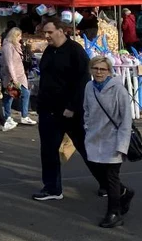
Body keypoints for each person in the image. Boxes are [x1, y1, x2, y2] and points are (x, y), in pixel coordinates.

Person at [32, 19, 100, 201]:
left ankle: (107, 182)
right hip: (48, 109)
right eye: (44, 33)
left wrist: (72, 106)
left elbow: (83, 81)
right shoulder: (48, 51)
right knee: (48, 150)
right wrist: (40, 106)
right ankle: (52, 188)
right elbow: (45, 79)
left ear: (61, 31)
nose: (46, 37)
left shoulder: (75, 51)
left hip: (70, 111)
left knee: (86, 147)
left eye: (49, 32)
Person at [83, 56, 135, 228]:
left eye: (102, 69)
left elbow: (126, 119)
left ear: (109, 71)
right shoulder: (89, 87)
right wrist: (87, 126)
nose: (99, 72)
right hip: (94, 138)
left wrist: (122, 145)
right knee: (103, 176)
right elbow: (86, 109)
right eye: (96, 68)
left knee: (111, 178)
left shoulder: (118, 89)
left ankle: (114, 213)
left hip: (114, 139)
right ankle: (125, 193)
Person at [1, 28, 34, 127]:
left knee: (13, 96)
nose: (20, 38)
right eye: (19, 36)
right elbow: (9, 63)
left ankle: (17, 116)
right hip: (12, 75)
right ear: (14, 36)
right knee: (12, 96)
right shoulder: (8, 46)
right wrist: (13, 77)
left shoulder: (17, 46)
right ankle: (10, 116)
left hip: (20, 74)